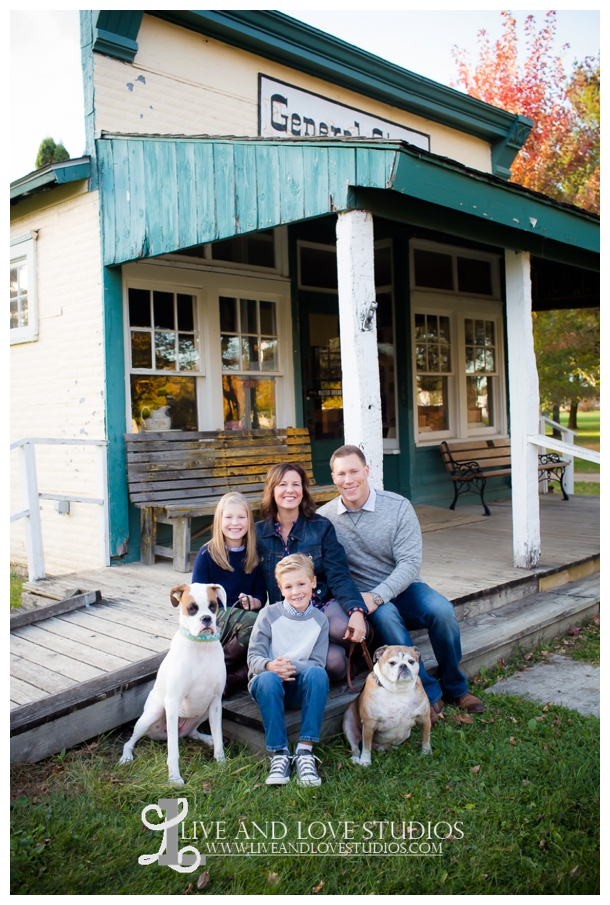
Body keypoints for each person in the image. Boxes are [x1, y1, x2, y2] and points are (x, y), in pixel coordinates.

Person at [317, 445, 486, 723]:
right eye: (341, 474)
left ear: (367, 471)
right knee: (388, 618)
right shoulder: (325, 519)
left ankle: (456, 687)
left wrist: (379, 595)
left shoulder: (397, 506)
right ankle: (429, 693)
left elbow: (409, 564)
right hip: (365, 597)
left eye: (354, 471)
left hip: (405, 588)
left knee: (441, 610)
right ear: (334, 478)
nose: (349, 480)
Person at [254, 462, 370, 681]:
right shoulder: (258, 533)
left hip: (323, 604)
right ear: (272, 491)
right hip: (291, 615)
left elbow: (339, 575)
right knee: (333, 664)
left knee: (341, 628)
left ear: (303, 490)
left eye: (296, 484)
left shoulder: (321, 527)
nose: (290, 490)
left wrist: (356, 610)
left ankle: (362, 651)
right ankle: (345, 666)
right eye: (282, 484)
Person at [248, 553, 330, 786]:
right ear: (281, 589)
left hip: (297, 687)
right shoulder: (269, 614)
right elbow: (253, 657)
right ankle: (280, 753)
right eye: (289, 586)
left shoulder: (320, 620)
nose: (296, 592)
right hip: (268, 686)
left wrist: (288, 666)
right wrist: (271, 666)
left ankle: (305, 751)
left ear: (313, 582)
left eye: (301, 584)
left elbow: (317, 663)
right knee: (267, 679)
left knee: (318, 674)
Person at [192, 491, 267, 696]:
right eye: (229, 517)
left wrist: (253, 601)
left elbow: (261, 595)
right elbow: (197, 595)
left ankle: (229, 682)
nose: (235, 523)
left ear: (249, 521)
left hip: (243, 615)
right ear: (219, 520)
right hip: (216, 615)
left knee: (266, 627)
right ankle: (215, 668)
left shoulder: (253, 554)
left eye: (241, 517)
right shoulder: (208, 553)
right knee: (255, 625)